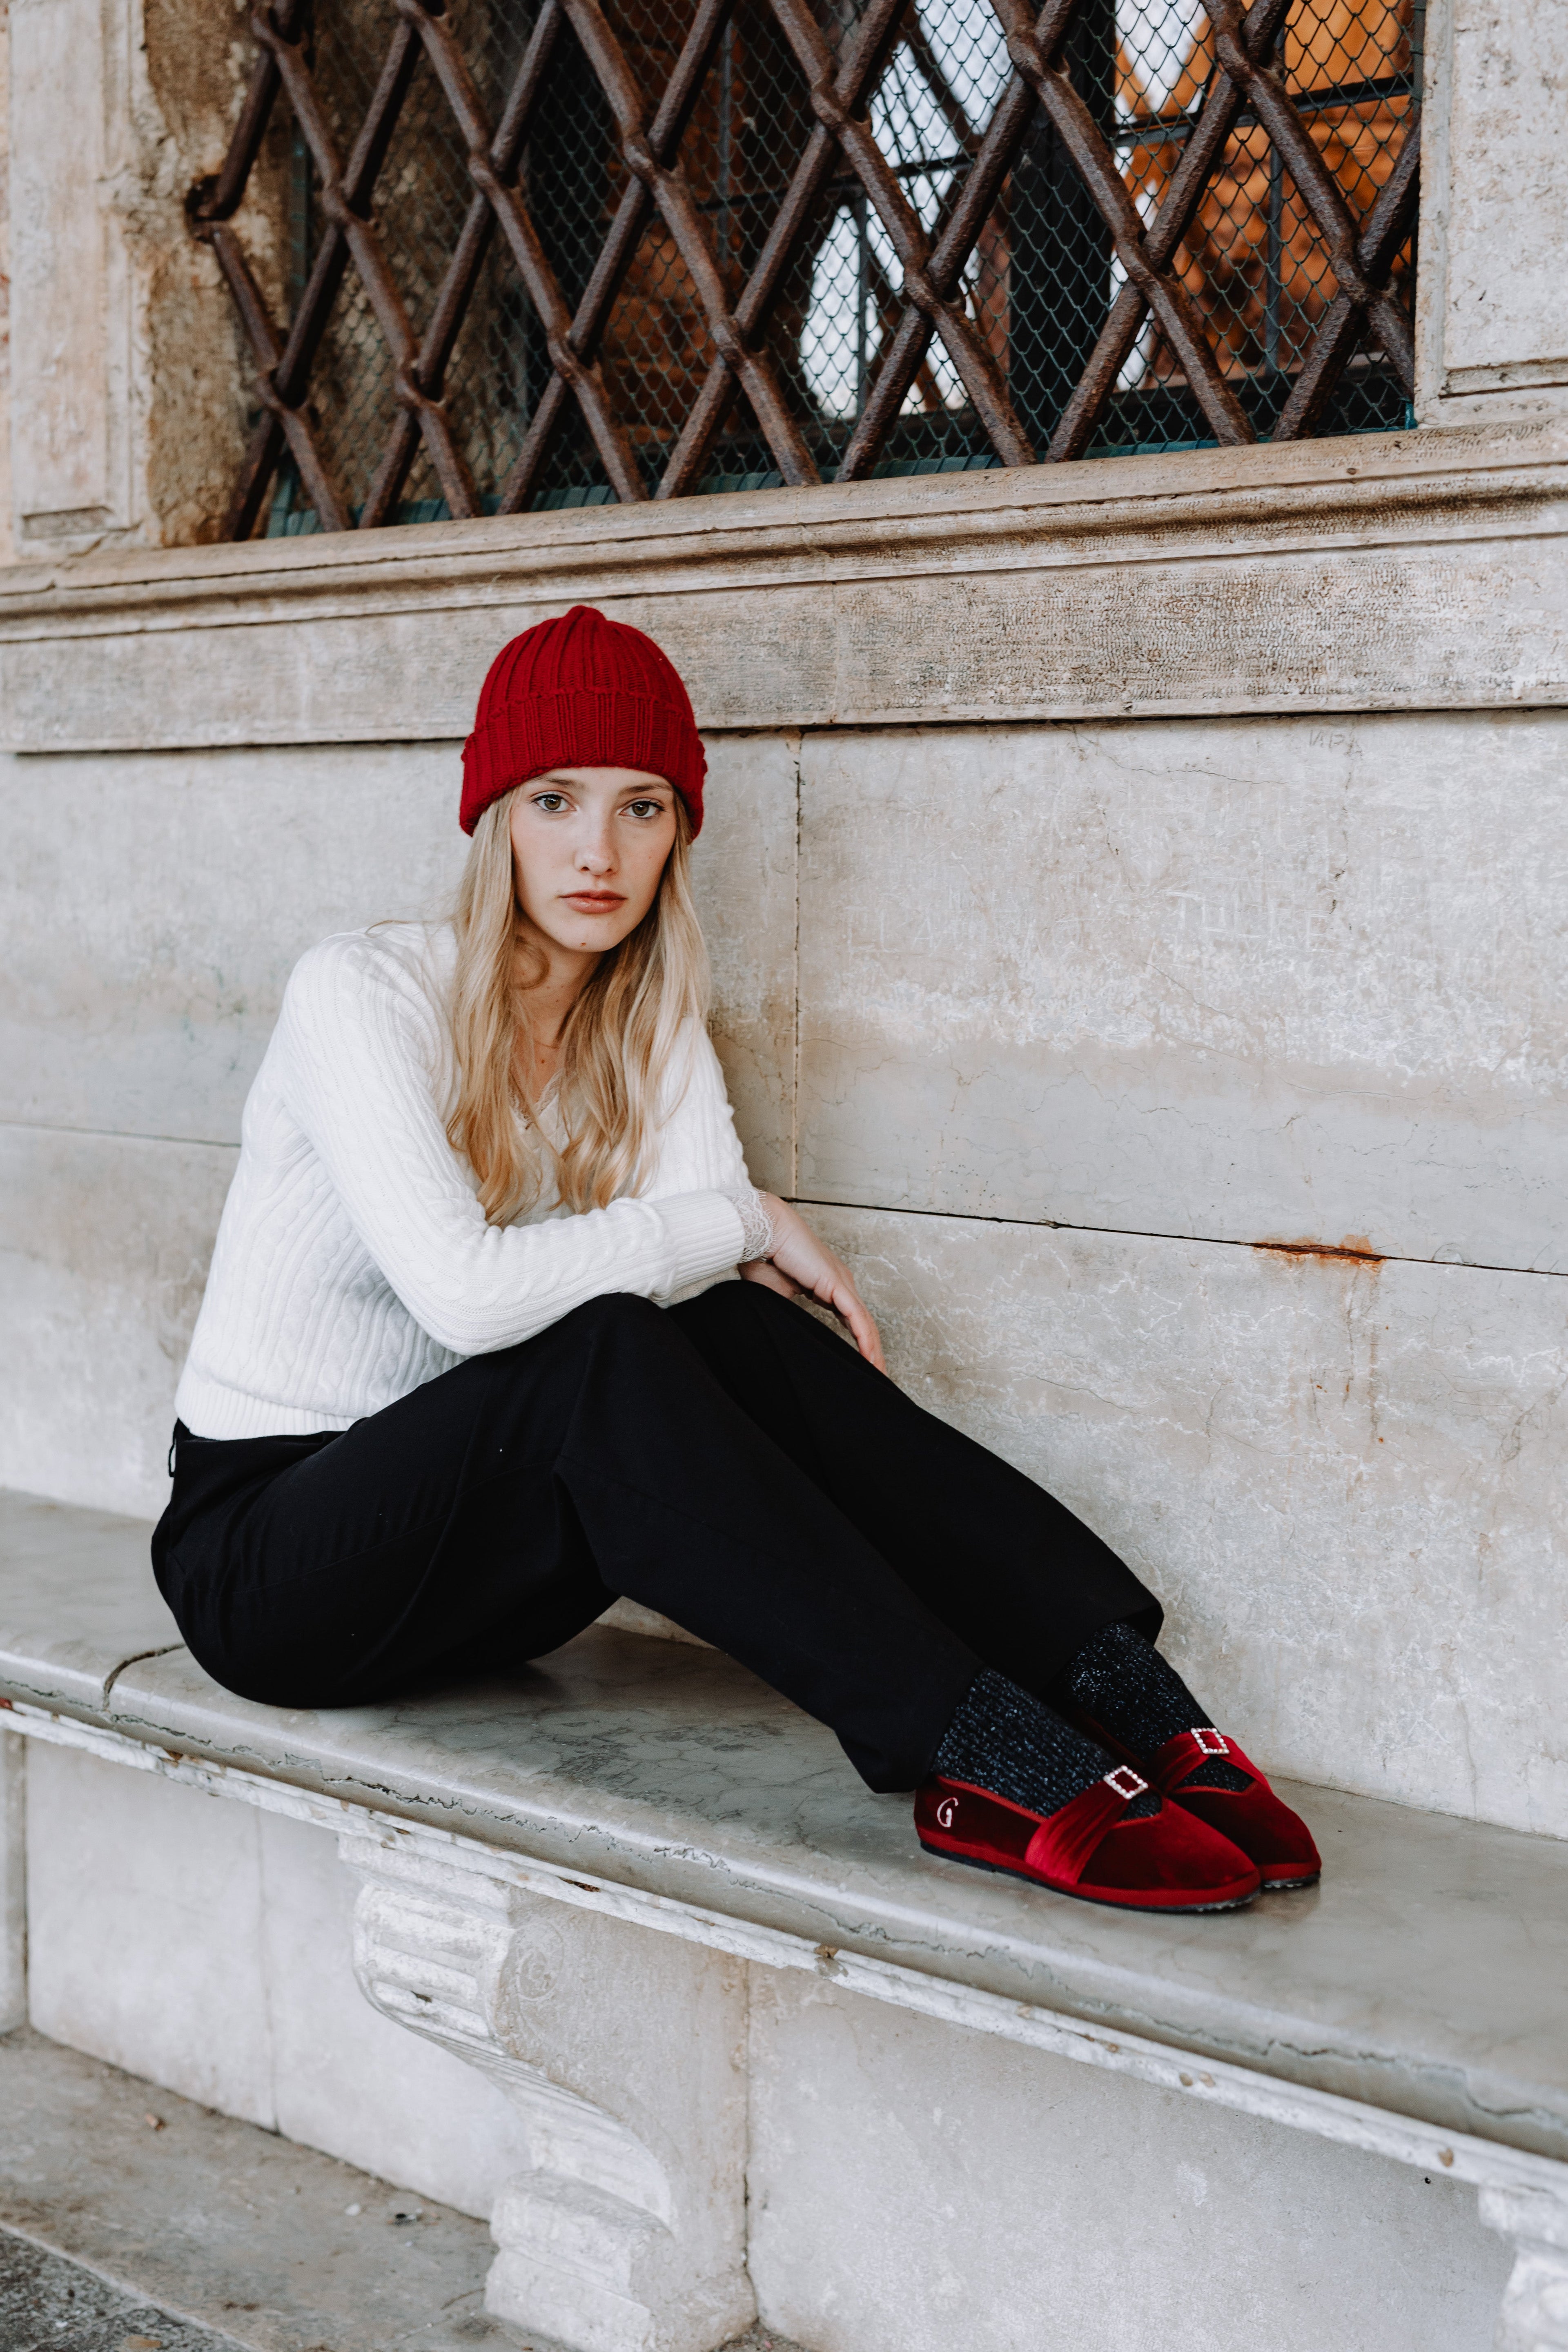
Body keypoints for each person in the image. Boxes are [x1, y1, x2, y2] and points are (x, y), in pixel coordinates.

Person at [153, 606, 1319, 1915]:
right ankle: (971, 1747)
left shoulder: (644, 1022)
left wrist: (728, 1232)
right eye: (556, 801)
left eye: (642, 808)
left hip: (479, 1566)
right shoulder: (361, 994)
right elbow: (474, 1299)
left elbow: (698, 1291)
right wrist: (752, 1217)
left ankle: (1124, 1694)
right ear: (495, 819)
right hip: (270, 1562)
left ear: (679, 832)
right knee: (607, 1352)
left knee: (725, 1335)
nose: (599, 852)